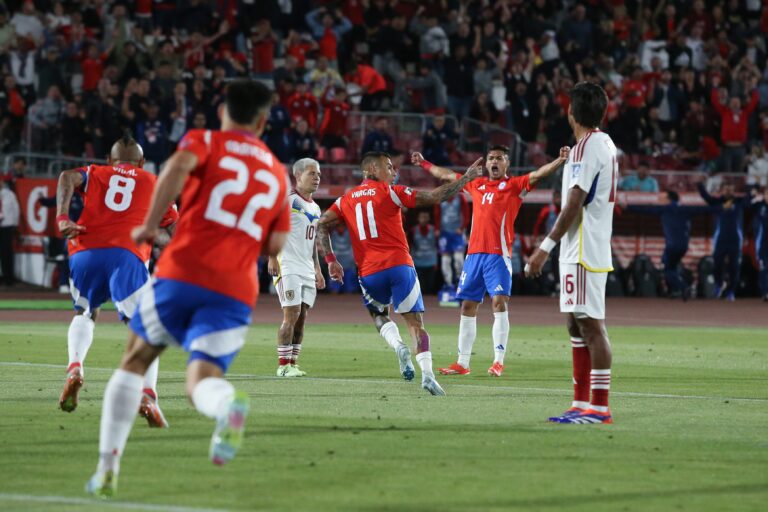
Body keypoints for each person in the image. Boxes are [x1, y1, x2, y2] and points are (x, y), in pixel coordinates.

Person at [85, 80, 290, 497]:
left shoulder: (206, 141)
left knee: (134, 361)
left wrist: (149, 224)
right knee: (202, 381)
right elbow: (274, 244)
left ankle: (107, 468)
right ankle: (226, 405)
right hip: (235, 288)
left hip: (183, 271)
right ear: (262, 122)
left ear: (223, 112)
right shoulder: (277, 172)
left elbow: (175, 168)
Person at [316, 152, 482, 396]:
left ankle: (398, 346)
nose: (394, 172)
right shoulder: (392, 192)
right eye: (389, 167)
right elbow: (435, 196)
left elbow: (321, 224)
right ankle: (427, 374)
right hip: (399, 267)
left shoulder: (344, 200)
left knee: (378, 315)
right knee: (415, 324)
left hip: (369, 273)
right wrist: (466, 178)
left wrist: (331, 260)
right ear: (372, 169)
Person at [55, 133, 178, 428]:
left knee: (85, 312)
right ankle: (147, 396)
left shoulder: (96, 172)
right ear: (142, 162)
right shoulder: (156, 183)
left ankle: (75, 367)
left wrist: (62, 218)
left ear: (110, 160)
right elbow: (175, 231)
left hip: (85, 250)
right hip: (127, 254)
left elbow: (66, 177)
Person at [417, 146, 569, 377]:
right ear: (486, 164)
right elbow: (446, 175)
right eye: (491, 158)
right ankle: (462, 363)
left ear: (507, 163)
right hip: (473, 256)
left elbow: (539, 174)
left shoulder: (515, 186)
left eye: (499, 158)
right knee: (468, 306)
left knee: (499, 302)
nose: (494, 161)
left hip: (498, 255)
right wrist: (423, 163)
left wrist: (559, 160)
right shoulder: (475, 184)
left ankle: (498, 361)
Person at [526, 81, 617, 425]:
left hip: (580, 249)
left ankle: (599, 407)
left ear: (571, 112)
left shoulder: (583, 149)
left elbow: (574, 203)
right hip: (588, 246)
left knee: (590, 326)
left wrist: (544, 248)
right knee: (576, 325)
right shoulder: (605, 143)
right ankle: (580, 403)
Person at [268, 158, 324, 378]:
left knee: (302, 317)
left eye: (318, 174)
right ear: (298, 175)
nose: (317, 178)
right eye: (312, 173)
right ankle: (283, 366)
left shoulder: (315, 207)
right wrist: (272, 258)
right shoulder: (288, 201)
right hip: (288, 265)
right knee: (291, 313)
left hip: (307, 268)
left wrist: (317, 269)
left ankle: (292, 363)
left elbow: (312, 242)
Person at [624, 191, 711, 300]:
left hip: (672, 246)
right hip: (684, 246)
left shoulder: (665, 209)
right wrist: (721, 207)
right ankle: (677, 289)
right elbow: (704, 210)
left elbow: (646, 209)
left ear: (668, 200)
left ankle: (683, 287)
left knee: (667, 269)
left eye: (661, 198)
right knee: (672, 267)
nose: (658, 200)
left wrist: (627, 207)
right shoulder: (685, 209)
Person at [411, 152, 469, 290]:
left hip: (457, 232)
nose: (447, 186)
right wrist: (437, 229)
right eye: (445, 183)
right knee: (445, 260)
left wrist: (462, 228)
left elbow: (466, 214)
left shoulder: (460, 198)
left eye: (449, 183)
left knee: (459, 260)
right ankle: (449, 284)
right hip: (445, 232)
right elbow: (437, 215)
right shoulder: (440, 199)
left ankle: (460, 282)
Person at [697, 180, 753, 301]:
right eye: (726, 189)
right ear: (722, 190)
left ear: (734, 191)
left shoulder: (739, 202)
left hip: (735, 241)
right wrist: (700, 185)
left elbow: (749, 199)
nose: (728, 191)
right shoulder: (717, 202)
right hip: (720, 240)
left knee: (734, 267)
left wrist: (754, 188)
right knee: (717, 265)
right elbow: (706, 197)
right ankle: (719, 284)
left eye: (731, 189)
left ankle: (731, 291)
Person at [410, 211, 438, 294]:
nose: (423, 220)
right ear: (418, 219)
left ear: (428, 219)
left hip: (431, 262)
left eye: (425, 218)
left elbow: (437, 245)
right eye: (422, 218)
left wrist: (436, 262)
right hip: (418, 262)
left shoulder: (434, 230)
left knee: (430, 287)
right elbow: (410, 246)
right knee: (421, 288)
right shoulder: (413, 230)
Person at [0, 176, 20, 286]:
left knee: (7, 252)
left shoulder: (9, 194)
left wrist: (15, 225)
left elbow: (16, 209)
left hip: (7, 226)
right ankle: (3, 275)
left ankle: (9, 277)